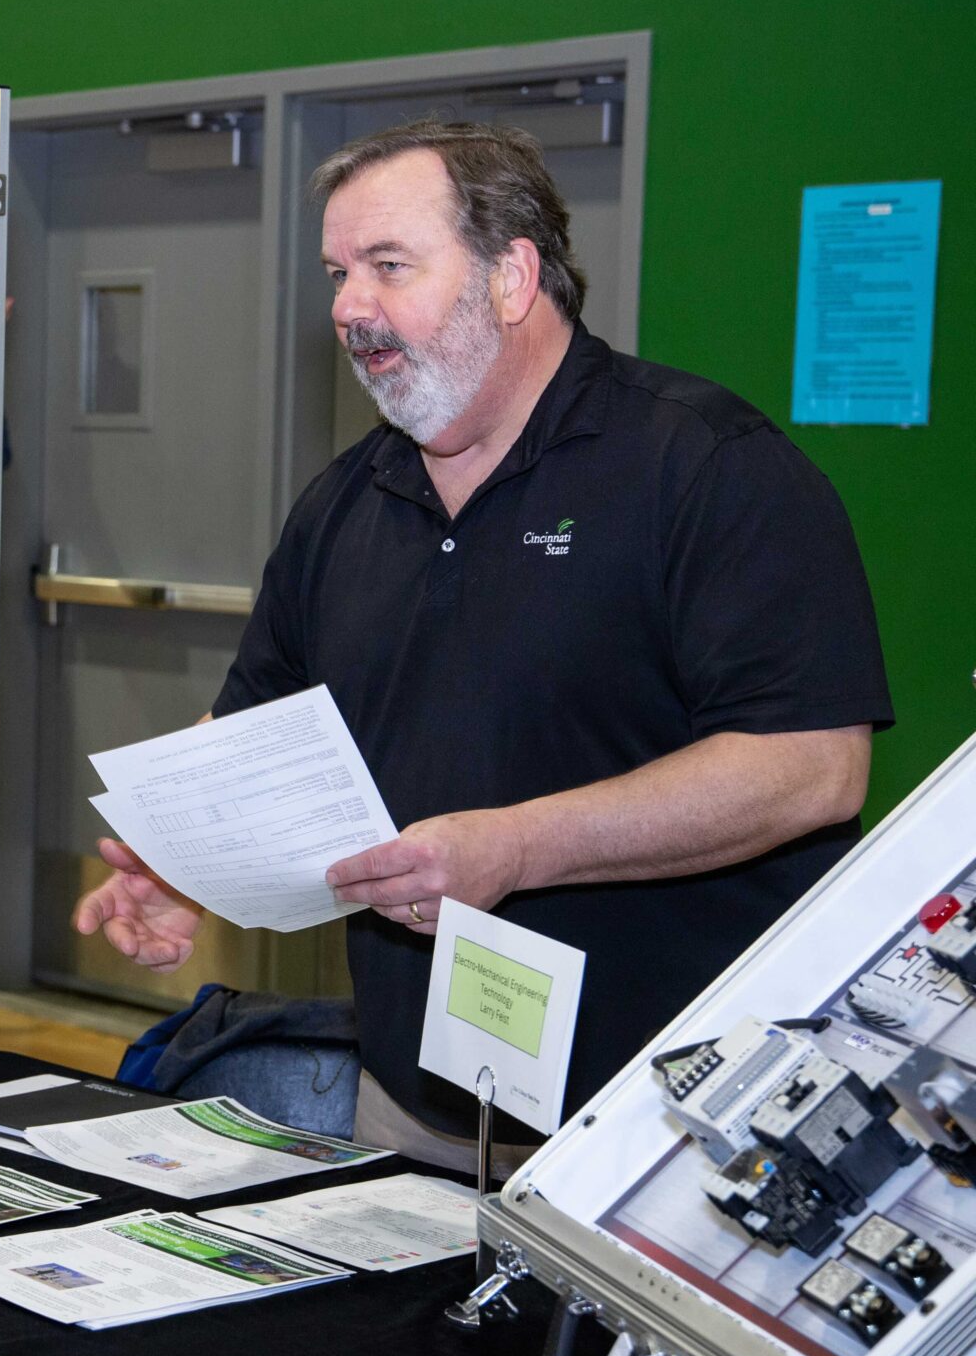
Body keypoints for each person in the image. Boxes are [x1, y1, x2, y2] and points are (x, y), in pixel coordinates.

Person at [73, 121, 889, 1175]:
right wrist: (184, 860)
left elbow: (810, 767)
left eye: (387, 266)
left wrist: (516, 848)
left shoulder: (705, 469)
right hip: (417, 1106)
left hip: (670, 1124)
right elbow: (254, 728)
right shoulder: (343, 503)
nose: (346, 307)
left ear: (511, 275)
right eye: (336, 272)